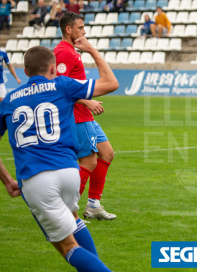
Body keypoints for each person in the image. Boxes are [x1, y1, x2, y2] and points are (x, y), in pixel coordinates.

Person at [0, 43, 118, 271]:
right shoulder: (62, 85)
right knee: (72, 219)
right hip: (69, 172)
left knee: (67, 247)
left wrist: (6, 181)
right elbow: (111, 83)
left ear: (25, 72)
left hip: (36, 178)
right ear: (54, 68)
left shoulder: (9, 100)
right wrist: (93, 52)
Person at [54, 12, 117, 220]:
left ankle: (93, 206)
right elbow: (58, 87)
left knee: (106, 153)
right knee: (88, 162)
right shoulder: (64, 52)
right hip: (76, 115)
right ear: (69, 30)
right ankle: (66, 212)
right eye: (80, 28)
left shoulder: (72, 51)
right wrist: (86, 101)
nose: (84, 31)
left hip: (84, 115)